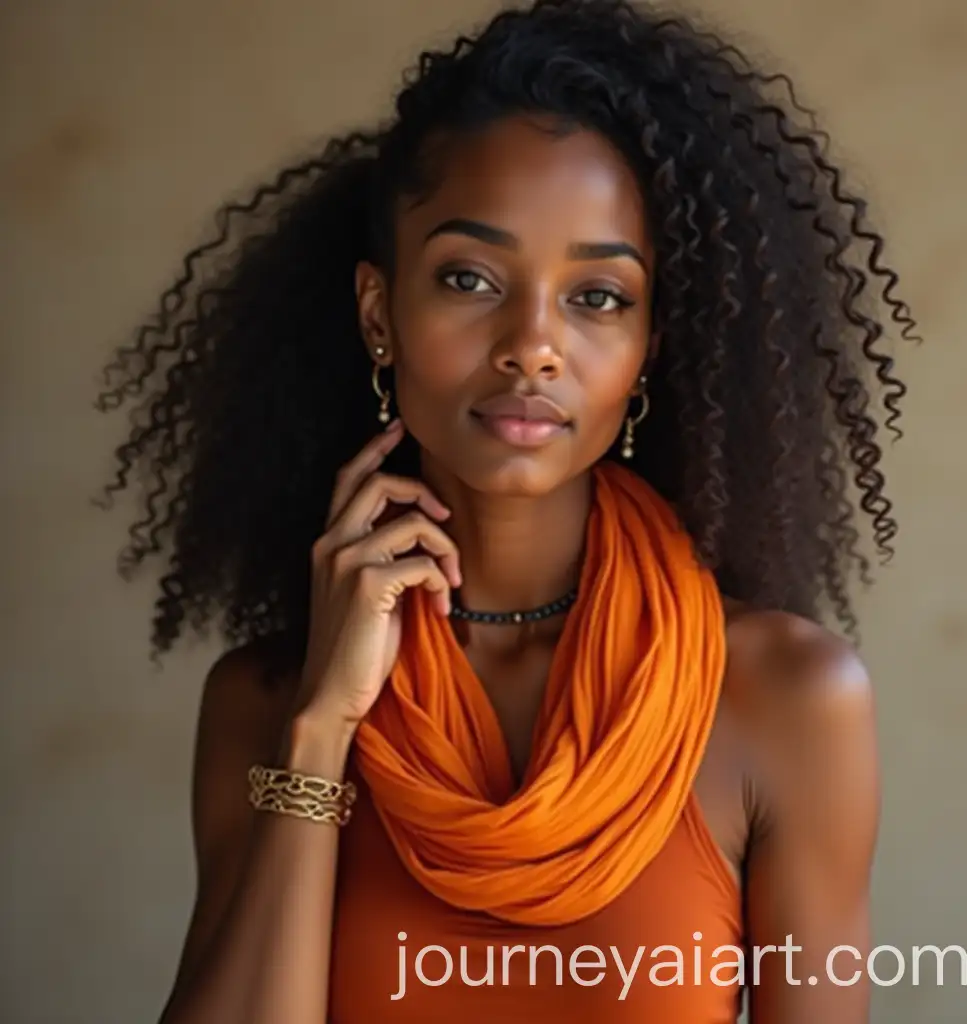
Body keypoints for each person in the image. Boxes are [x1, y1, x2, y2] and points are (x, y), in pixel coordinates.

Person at [94, 0, 916, 1020]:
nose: (533, 344)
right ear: (377, 313)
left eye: (598, 296)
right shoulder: (267, 704)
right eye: (470, 277)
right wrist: (323, 728)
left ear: (649, 346)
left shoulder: (787, 698)